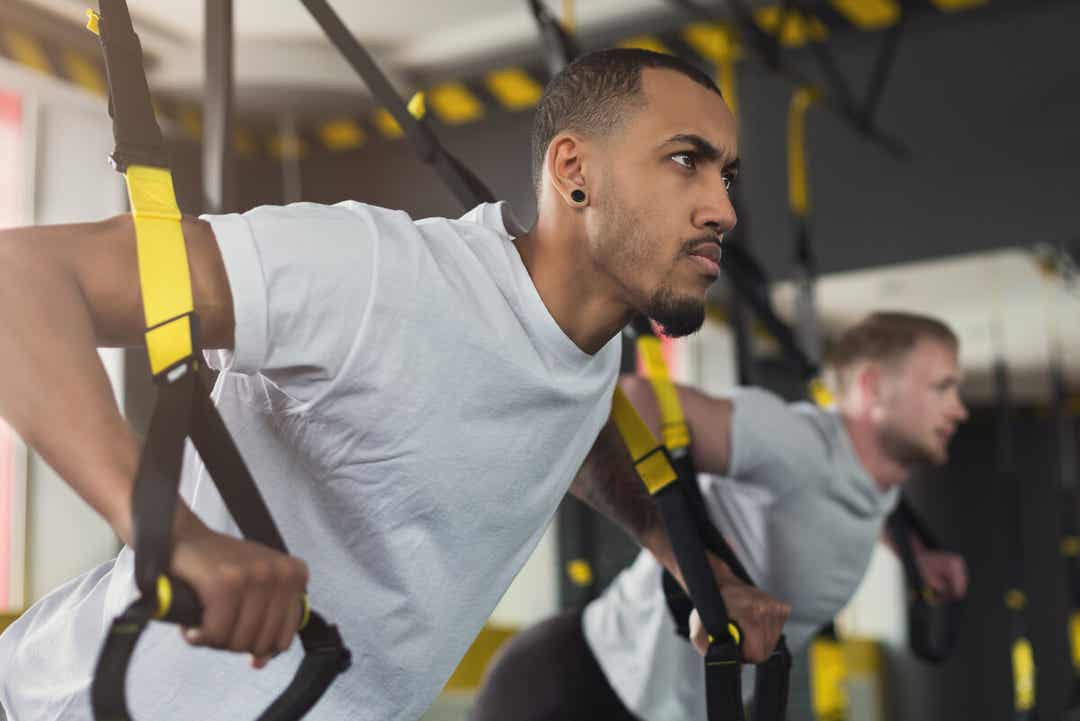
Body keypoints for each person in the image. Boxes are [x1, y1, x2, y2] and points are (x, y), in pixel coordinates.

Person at [0, 48, 791, 721]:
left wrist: (692, 563)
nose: (723, 208)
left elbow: (573, 427)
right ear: (574, 170)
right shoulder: (380, 276)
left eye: (728, 175)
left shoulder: (588, 355)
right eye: (685, 160)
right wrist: (168, 533)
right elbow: (19, 279)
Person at [470, 311, 971, 721]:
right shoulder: (796, 443)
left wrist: (915, 556)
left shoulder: (873, 482)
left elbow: (855, 506)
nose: (958, 409)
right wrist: (708, 576)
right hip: (576, 689)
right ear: (873, 386)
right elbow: (622, 412)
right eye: (942, 387)